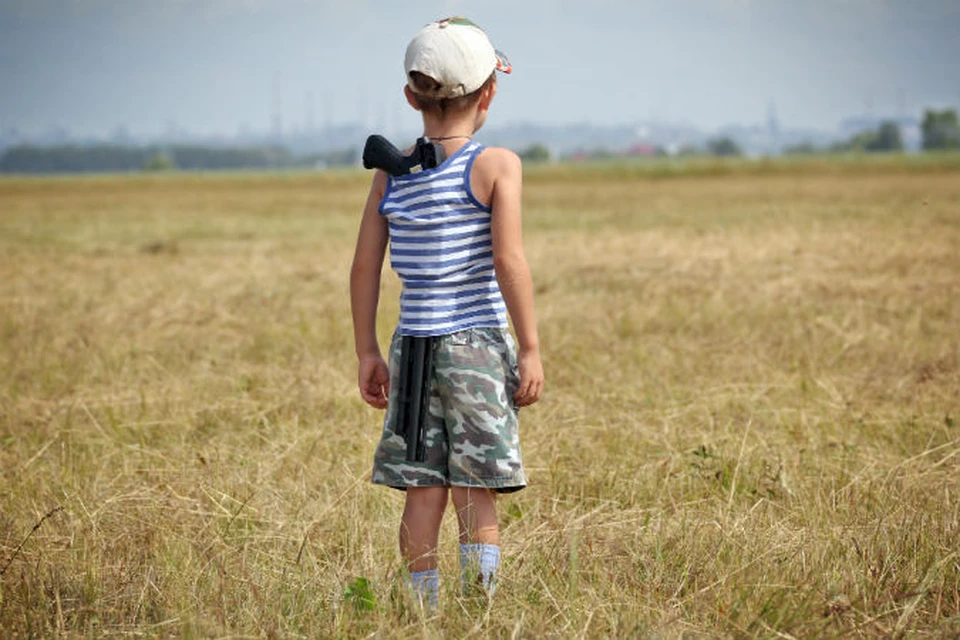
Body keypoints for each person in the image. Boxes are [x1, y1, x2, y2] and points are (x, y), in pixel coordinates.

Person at [349, 16, 544, 610]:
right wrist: (531, 347)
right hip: (477, 347)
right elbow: (509, 262)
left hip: (413, 345)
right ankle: (480, 607)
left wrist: (367, 350)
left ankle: (421, 610)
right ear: (489, 93)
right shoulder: (496, 166)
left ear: (412, 97)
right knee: (475, 487)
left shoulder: (391, 170)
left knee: (422, 489)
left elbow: (364, 268)